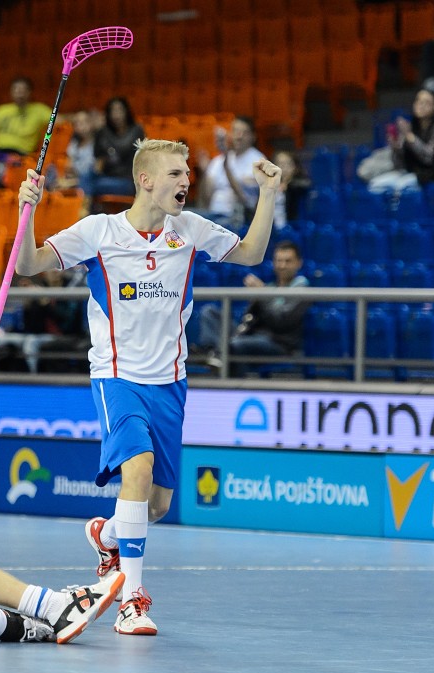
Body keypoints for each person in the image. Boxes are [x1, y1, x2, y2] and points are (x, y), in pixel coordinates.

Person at [14, 139, 282, 635]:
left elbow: (251, 253)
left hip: (171, 384)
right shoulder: (99, 231)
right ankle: (130, 598)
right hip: (117, 377)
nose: (186, 181)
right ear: (147, 180)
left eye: (187, 173)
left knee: (155, 505)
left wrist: (267, 194)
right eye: (177, 173)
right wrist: (27, 211)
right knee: (135, 469)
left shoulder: (190, 229)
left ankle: (108, 533)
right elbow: (28, 264)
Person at [198, 240, 310, 376]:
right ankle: (215, 352)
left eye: (288, 261)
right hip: (251, 335)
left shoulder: (301, 288)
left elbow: (281, 322)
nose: (282, 265)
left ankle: (217, 355)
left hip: (278, 342)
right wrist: (256, 300)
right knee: (209, 312)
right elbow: (250, 319)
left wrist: (263, 295)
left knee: (236, 344)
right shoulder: (270, 286)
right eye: (279, 261)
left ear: (299, 263)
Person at [366, 88, 434, 193]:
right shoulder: (411, 127)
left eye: (427, 103)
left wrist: (409, 137)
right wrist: (396, 148)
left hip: (428, 175)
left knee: (402, 188)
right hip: (408, 172)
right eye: (419, 101)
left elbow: (429, 158)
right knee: (375, 186)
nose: (421, 105)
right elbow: (399, 164)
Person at [195, 116, 265, 229]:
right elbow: (205, 199)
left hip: (239, 220)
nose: (239, 136)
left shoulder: (259, 161)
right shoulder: (218, 160)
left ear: (253, 137)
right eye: (235, 131)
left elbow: (245, 199)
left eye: (244, 133)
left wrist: (226, 166)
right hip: (213, 217)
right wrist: (203, 172)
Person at [0, 77, 52, 187]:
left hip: (21, 154)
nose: (20, 93)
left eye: (23, 90)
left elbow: (60, 120)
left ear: (29, 92)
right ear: (11, 92)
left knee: (9, 163)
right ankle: (1, 172)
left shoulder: (39, 110)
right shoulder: (2, 110)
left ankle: (0, 175)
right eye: (16, 89)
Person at [87, 97, 145, 202]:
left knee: (91, 185)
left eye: (119, 110)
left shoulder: (136, 130)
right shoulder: (103, 132)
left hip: (128, 180)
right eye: (113, 110)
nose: (116, 114)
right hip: (106, 176)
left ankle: (83, 212)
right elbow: (98, 162)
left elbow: (142, 159)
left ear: (126, 111)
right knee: (85, 177)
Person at [271, 150, 311, 226]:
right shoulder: (268, 185)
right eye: (280, 164)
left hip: (292, 227)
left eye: (288, 164)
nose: (284, 167)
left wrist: (288, 185)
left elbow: (305, 185)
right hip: (272, 228)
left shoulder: (298, 183)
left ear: (295, 167)